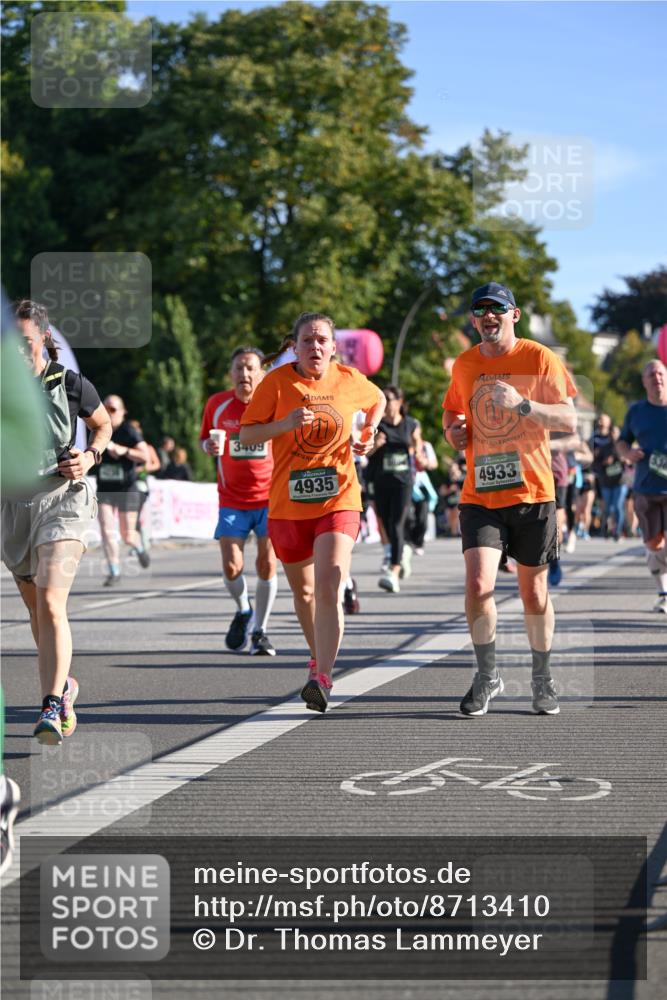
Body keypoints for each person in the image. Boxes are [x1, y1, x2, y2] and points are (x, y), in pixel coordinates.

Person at [443, 282, 577, 717]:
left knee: (533, 594)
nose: (488, 315)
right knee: (479, 584)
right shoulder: (464, 364)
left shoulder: (539, 358)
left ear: (513, 314)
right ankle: (487, 677)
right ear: (473, 319)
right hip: (480, 494)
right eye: (480, 309)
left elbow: (568, 419)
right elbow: (451, 411)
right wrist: (452, 431)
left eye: (496, 308)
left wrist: (523, 406)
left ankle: (542, 679)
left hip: (533, 492)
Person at [239, 312, 385, 711]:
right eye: (307, 340)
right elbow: (248, 432)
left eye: (322, 340)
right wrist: (284, 423)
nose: (315, 347)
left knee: (328, 586)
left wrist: (368, 433)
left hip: (339, 499)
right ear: (295, 346)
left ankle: (322, 676)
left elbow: (379, 399)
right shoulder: (276, 383)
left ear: (334, 346)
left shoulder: (349, 379)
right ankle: (318, 658)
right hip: (288, 505)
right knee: (303, 593)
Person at [1, 300, 111, 744]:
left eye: (25, 341)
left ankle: (50, 704)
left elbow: (102, 425)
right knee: (35, 610)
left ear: (44, 339)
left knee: (49, 600)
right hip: (13, 505)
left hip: (65, 498)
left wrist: (89, 456)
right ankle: (64, 686)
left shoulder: (69, 383)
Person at [199, 347, 278, 655]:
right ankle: (244, 609)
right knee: (232, 565)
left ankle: (260, 630)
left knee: (267, 563)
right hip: (232, 498)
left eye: (250, 368)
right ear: (231, 373)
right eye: (238, 368)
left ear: (261, 373)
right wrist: (208, 445)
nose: (244, 374)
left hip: (270, 497)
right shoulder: (217, 404)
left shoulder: (274, 403)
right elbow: (204, 437)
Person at [616, 359, 667, 613]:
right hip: (646, 488)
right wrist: (628, 453)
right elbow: (622, 441)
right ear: (644, 382)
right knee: (654, 546)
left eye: (660, 373)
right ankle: (663, 591)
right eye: (651, 375)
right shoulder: (636, 411)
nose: (656, 378)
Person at [366, 386, 423, 593]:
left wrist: (420, 455)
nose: (387, 403)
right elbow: (367, 453)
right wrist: (375, 445)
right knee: (387, 523)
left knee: (398, 523)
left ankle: (394, 570)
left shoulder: (411, 424)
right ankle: (402, 551)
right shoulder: (377, 426)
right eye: (384, 399)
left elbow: (418, 448)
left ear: (400, 401)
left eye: (390, 399)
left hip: (403, 482)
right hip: (381, 481)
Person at [95, 395, 151, 586]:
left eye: (113, 409)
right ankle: (114, 570)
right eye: (106, 408)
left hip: (127, 488)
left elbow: (145, 456)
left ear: (122, 412)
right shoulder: (97, 428)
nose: (109, 413)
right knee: (106, 530)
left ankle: (139, 546)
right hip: (105, 488)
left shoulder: (129, 430)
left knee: (127, 535)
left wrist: (123, 450)